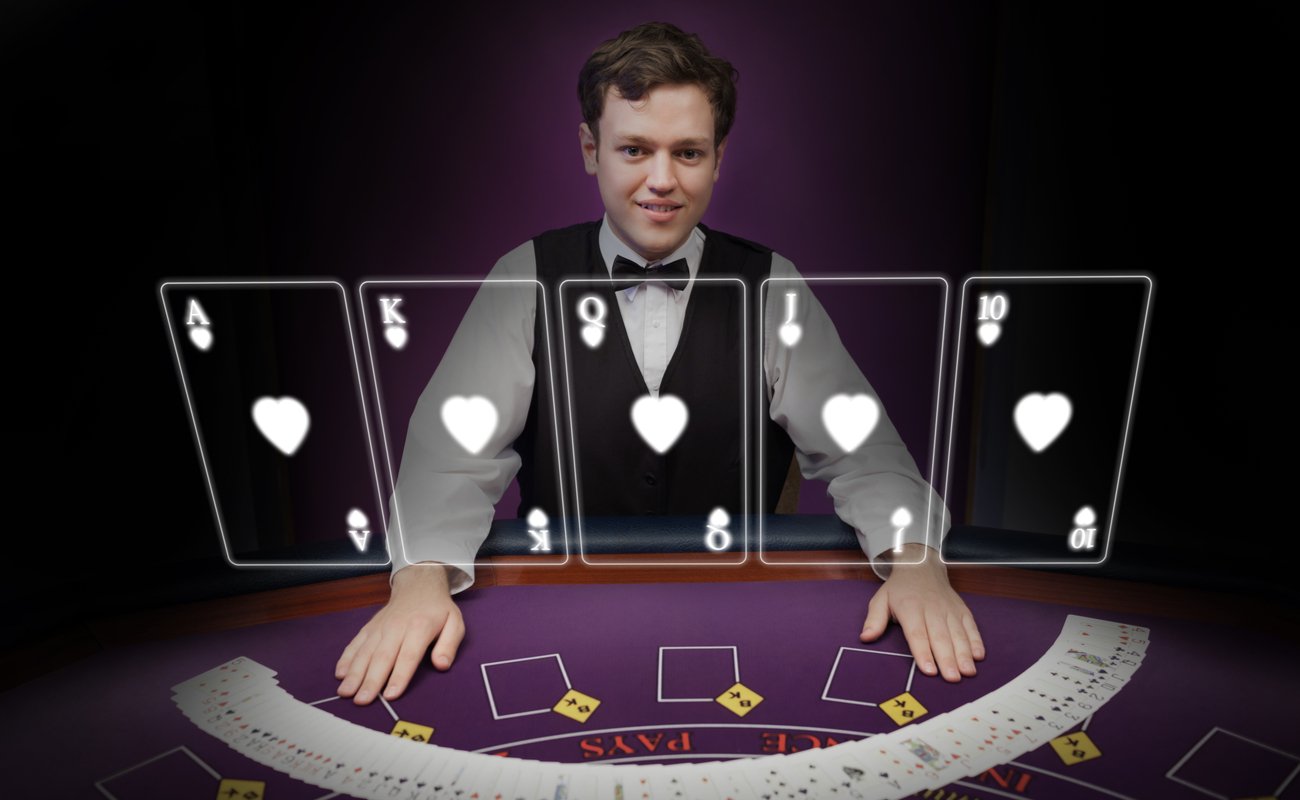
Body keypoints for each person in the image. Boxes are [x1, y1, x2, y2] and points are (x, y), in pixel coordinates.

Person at [335, 22, 983, 707]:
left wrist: (916, 566)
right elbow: (450, 458)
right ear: (591, 150)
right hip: (560, 612)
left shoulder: (773, 283)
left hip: (743, 624)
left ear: (720, 158)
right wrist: (420, 584)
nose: (663, 181)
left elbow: (863, 454)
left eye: (689, 153)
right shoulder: (524, 276)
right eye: (635, 150)